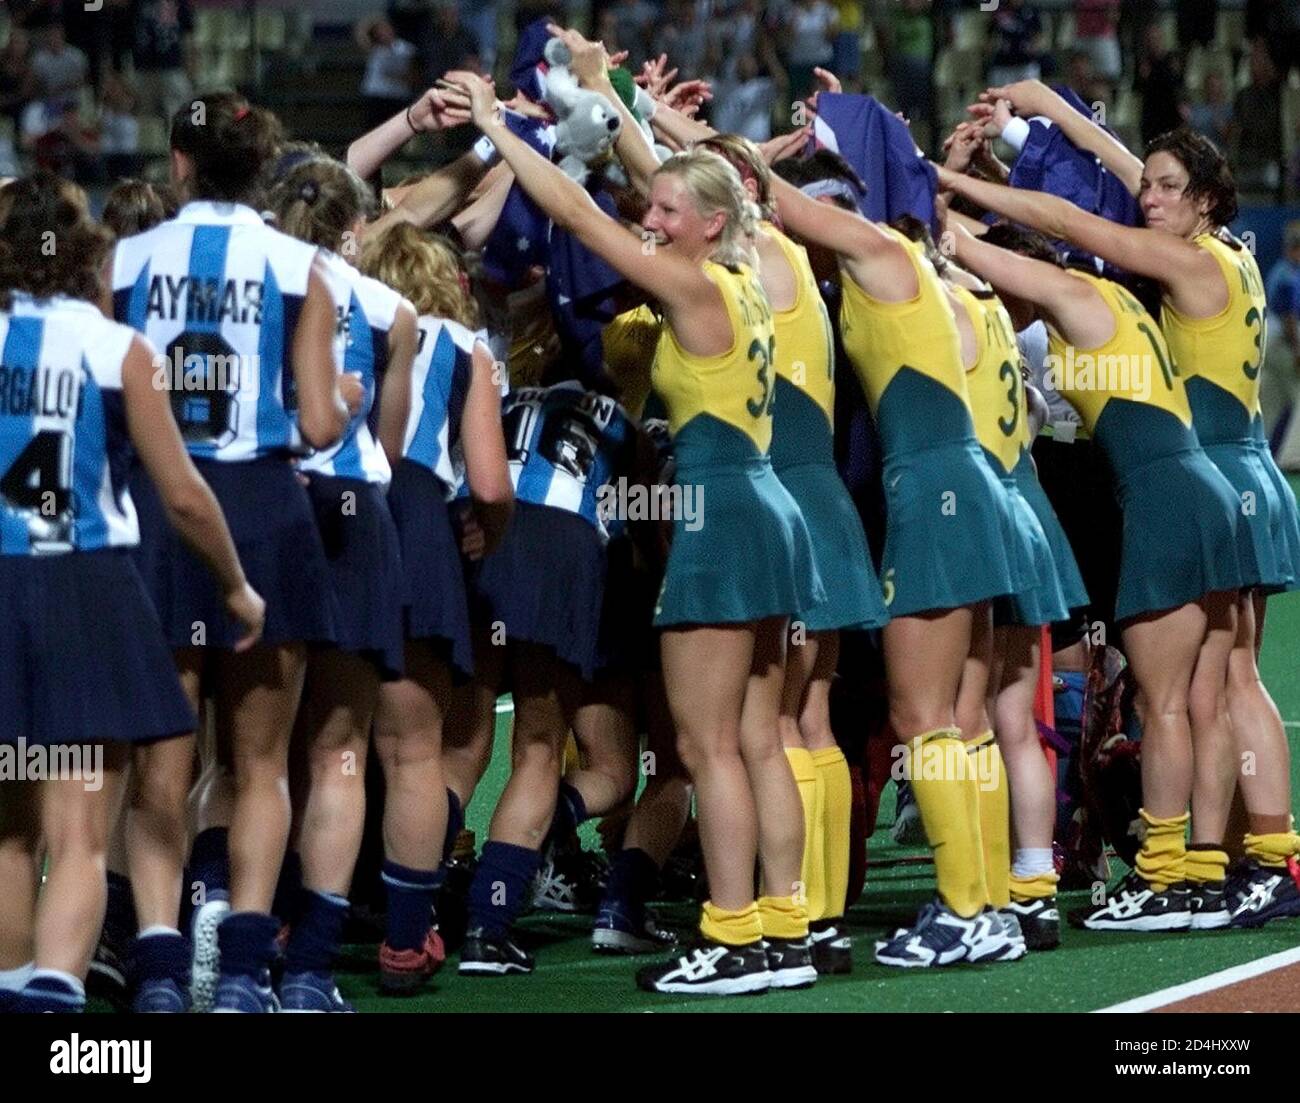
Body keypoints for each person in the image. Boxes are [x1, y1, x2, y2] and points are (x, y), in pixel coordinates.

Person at [454, 57, 825, 995]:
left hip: (720, 510)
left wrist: (503, 130)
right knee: (760, 739)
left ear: (706, 221)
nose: (648, 223)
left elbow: (576, 217)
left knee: (705, 749)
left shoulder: (693, 285)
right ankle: (783, 923)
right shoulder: (751, 275)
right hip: (769, 507)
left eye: (664, 211)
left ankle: (733, 935)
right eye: (649, 210)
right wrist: (627, 108)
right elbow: (665, 189)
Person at [937, 113, 1300, 927]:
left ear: (1205, 199)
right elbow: (1096, 202)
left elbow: (1063, 222)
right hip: (1231, 476)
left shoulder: (1140, 271)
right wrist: (1026, 142)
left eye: (1170, 188)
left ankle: (1177, 874)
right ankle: (1221, 862)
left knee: (1175, 699)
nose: (1149, 199)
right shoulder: (1213, 259)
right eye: (1147, 189)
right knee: (1215, 690)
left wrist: (949, 185)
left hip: (1181, 488)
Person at [110, 91, 354, 1012]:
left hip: (155, 510)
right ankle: (250, 971)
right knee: (261, 764)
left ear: (179, 163)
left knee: (160, 766)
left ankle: (163, 974)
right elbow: (324, 423)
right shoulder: (302, 266)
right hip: (260, 506)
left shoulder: (126, 259)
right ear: (266, 170)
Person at [0, 172, 262, 1013]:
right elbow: (182, 493)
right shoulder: (118, 348)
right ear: (84, 252)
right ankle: (53, 1000)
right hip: (86, 587)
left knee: (7, 825)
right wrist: (235, 585)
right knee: (79, 834)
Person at [267, 156, 420, 1011]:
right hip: (359, 513)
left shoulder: (257, 284)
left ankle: (230, 948)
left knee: (250, 755)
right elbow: (389, 449)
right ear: (355, 228)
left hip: (269, 507)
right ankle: (312, 972)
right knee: (339, 753)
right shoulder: (391, 309)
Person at [360, 221, 513, 989]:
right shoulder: (464, 347)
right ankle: (403, 941)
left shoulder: (336, 316)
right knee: (414, 752)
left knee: (313, 749)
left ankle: (287, 924)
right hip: (419, 522)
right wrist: (491, 530)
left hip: (329, 518)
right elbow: (488, 482)